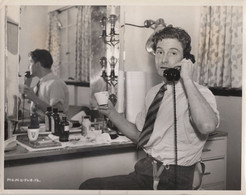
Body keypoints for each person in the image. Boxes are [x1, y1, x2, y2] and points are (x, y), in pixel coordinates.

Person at [79, 26, 219, 190]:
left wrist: (187, 79)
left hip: (175, 177)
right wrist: (111, 112)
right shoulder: (154, 93)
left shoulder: (199, 93)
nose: (164, 59)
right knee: (89, 186)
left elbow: (207, 126)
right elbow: (141, 137)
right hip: (146, 170)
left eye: (173, 53)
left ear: (186, 60)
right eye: (160, 52)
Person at [20, 49, 69, 119]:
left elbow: (58, 114)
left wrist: (35, 99)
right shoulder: (40, 83)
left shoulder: (55, 84)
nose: (28, 66)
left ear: (38, 64)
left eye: (30, 62)